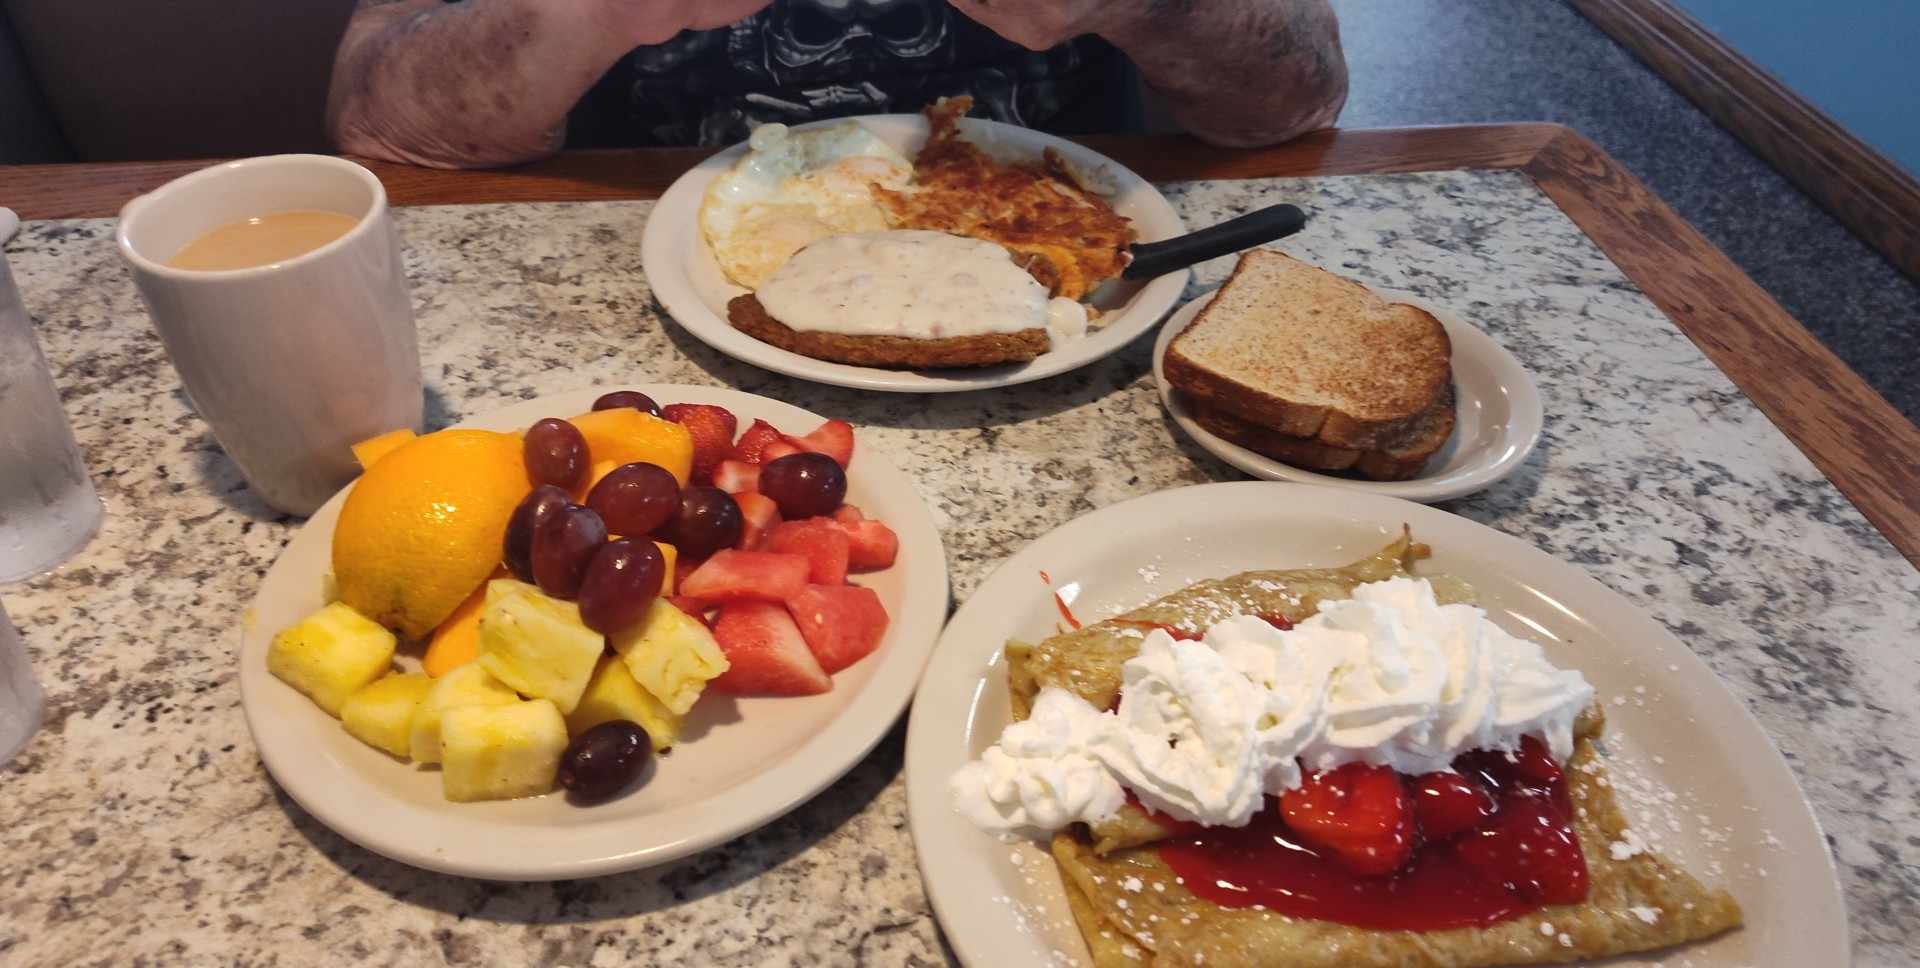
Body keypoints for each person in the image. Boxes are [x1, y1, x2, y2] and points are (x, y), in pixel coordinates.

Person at [327, 0, 1347, 168]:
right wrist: (590, 11)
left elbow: (1297, 99)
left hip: (1071, 291)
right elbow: (373, 115)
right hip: (653, 326)